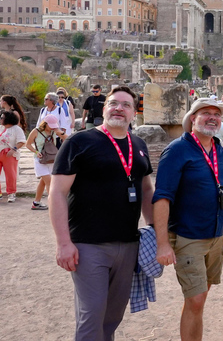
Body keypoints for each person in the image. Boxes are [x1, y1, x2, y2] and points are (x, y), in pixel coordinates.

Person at [49, 86, 154, 340]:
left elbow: (147, 190)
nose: (119, 108)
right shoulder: (79, 142)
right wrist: (64, 243)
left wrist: (156, 231)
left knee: (112, 317)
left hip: (128, 244)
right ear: (103, 108)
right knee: (91, 315)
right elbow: (57, 193)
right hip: (88, 244)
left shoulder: (138, 145)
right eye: (113, 103)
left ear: (133, 113)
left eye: (126, 105)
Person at [153, 98, 223, 341]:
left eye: (217, 113)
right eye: (206, 113)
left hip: (216, 236)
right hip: (188, 236)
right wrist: (162, 243)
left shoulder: (221, 147)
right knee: (196, 300)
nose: (212, 117)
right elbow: (161, 197)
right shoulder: (177, 150)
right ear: (193, 118)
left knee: (199, 299)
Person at [26, 114, 67, 210]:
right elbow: (28, 144)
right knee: (49, 181)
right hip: (40, 159)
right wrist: (36, 152)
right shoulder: (36, 131)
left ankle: (36, 202)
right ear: (45, 124)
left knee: (43, 182)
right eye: (50, 125)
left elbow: (68, 138)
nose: (52, 127)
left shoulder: (54, 131)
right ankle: (54, 204)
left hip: (51, 158)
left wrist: (58, 131)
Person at [0, 110, 26, 202]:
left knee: (10, 174)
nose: (0, 119)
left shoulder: (17, 129)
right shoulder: (1, 127)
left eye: (2, 117)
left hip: (9, 154)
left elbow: (22, 141)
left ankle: (11, 193)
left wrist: (13, 149)